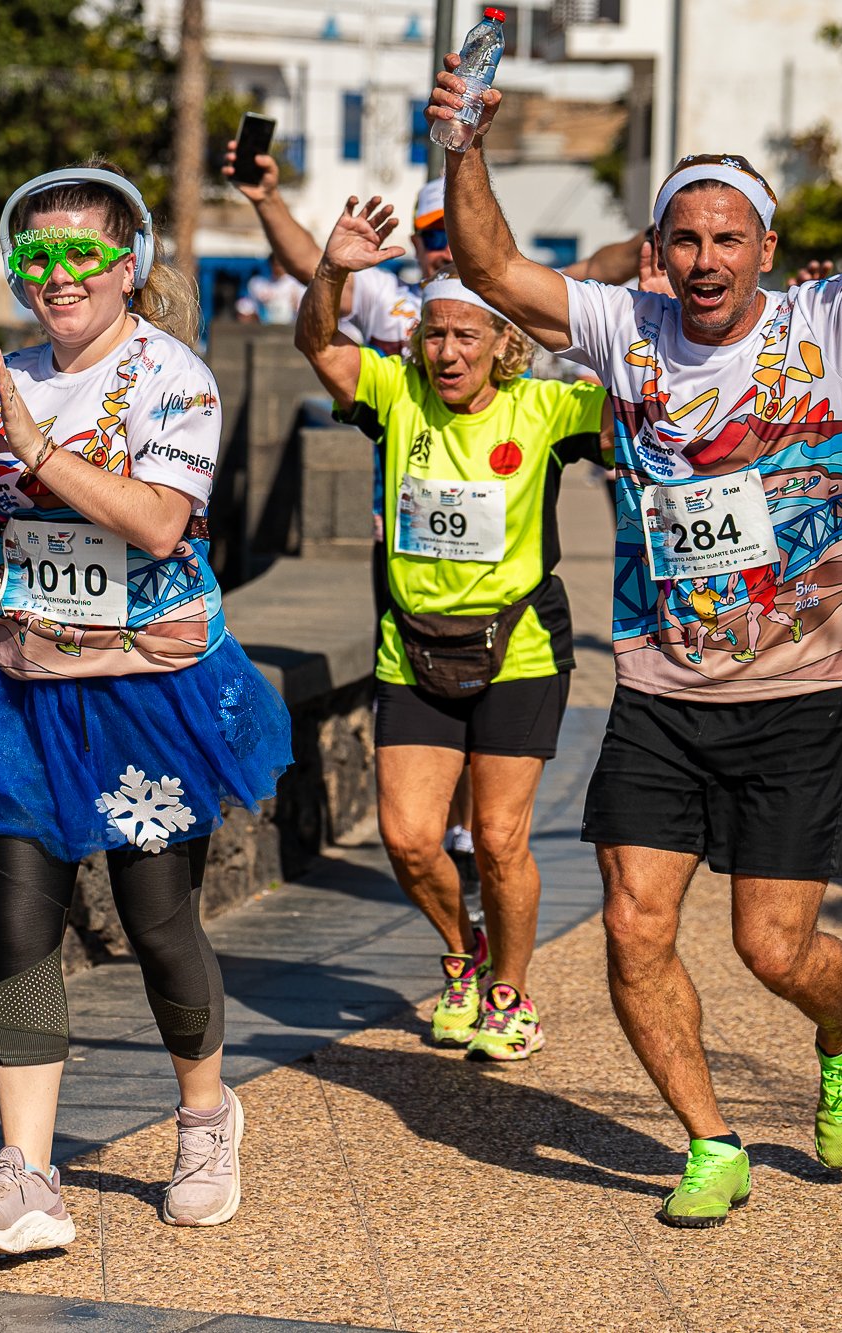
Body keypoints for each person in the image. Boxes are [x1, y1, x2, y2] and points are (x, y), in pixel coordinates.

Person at [429, 9, 842, 1227]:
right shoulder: (621, 331)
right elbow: (490, 271)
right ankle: (709, 1141)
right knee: (634, 928)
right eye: (682, 239)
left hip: (793, 694)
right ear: (658, 247)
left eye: (725, 240)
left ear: (764, 247)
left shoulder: (828, 324)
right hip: (657, 693)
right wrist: (461, 147)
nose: (702, 260)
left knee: (773, 950)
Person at [0, 160, 292, 1256]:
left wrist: (36, 451)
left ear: (128, 266)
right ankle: (24, 1174)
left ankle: (206, 1116)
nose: (56, 275)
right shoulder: (3, 375)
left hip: (146, 692)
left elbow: (160, 524)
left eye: (81, 254)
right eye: (36, 256)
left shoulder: (175, 380)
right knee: (19, 922)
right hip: (24, 688)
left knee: (156, 921)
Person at [224, 146, 645, 875]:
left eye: (457, 230)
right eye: (433, 233)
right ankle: (447, 841)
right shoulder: (390, 301)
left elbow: (602, 277)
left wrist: (662, 246)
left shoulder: (512, 291)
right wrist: (270, 204)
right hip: (406, 546)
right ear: (416, 243)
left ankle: (475, 849)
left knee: (494, 806)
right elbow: (311, 299)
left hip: (510, 559)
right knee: (427, 720)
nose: (447, 245)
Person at [296, 195, 607, 1058]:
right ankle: (463, 955)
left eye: (469, 335)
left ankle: (510, 990)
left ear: (506, 344)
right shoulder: (396, 395)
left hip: (520, 647)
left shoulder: (544, 410)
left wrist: (643, 324)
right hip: (413, 644)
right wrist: (335, 270)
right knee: (407, 837)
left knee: (502, 838)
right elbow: (319, 345)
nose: (448, 351)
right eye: (435, 334)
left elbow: (640, 414)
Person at [236, 254, 305, 325]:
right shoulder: (258, 283)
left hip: (289, 328)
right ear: (271, 264)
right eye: (277, 264)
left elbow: (303, 310)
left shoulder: (296, 284)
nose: (279, 267)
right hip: (265, 329)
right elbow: (247, 308)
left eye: (282, 264)